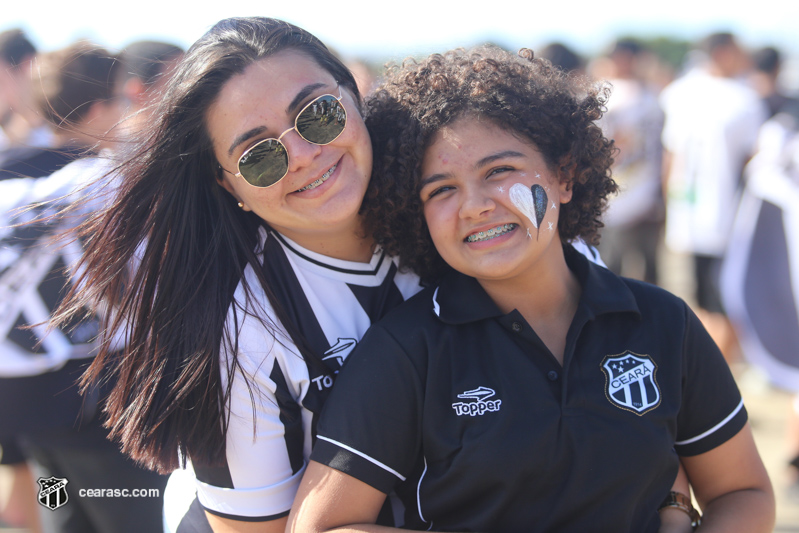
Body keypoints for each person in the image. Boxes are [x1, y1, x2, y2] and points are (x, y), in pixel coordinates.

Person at [288, 46, 775, 532]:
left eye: (499, 171)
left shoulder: (665, 321)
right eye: (441, 189)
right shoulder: (407, 349)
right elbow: (321, 526)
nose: (475, 206)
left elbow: (743, 491)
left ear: (565, 176)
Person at [0, 40, 181, 533]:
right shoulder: (110, 181)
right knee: (136, 518)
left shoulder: (9, 171)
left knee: (62, 516)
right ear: (102, 107)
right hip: (94, 409)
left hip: (23, 413)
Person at [659, 32, 768, 363]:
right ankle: (714, 367)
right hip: (727, 216)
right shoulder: (744, 98)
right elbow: (755, 161)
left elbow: (669, 156)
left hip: (688, 211)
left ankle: (707, 365)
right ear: (726, 52)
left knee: (704, 298)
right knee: (726, 299)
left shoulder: (678, 92)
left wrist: (670, 203)